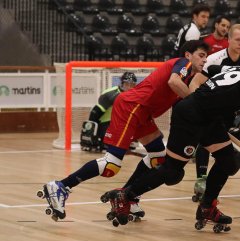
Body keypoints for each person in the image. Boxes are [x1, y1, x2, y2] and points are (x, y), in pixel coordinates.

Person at [102, 55, 240, 230]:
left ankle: (207, 207)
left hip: (209, 120)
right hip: (190, 117)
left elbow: (217, 71)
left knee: (229, 162)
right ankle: (125, 195)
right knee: (172, 172)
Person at [39, 40, 210, 222]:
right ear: (188, 55)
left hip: (143, 112)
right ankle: (60, 186)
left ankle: (127, 196)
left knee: (158, 156)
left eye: (206, 56)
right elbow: (173, 81)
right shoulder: (183, 64)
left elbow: (181, 104)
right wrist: (197, 103)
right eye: (201, 55)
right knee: (111, 164)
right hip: (133, 106)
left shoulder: (187, 78)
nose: (204, 60)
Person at [189, 24, 240, 202]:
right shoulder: (214, 59)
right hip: (210, 106)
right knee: (204, 140)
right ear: (228, 40)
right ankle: (201, 179)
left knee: (239, 137)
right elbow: (196, 82)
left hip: (231, 109)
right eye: (237, 39)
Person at [80, 72, 137, 152]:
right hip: (106, 123)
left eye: (132, 85)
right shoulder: (111, 94)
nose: (129, 87)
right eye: (127, 84)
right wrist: (92, 134)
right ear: (122, 83)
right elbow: (95, 113)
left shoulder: (135, 95)